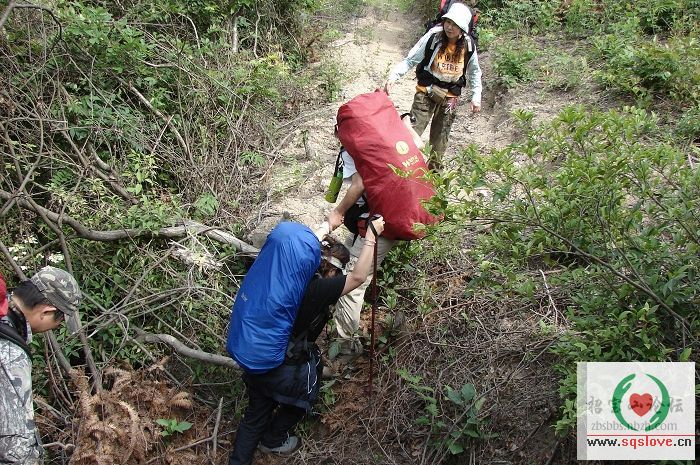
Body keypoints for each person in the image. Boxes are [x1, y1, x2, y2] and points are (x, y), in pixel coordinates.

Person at [228, 217, 385, 465]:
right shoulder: (318, 290)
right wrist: (371, 238)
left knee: (254, 417)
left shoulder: (285, 279)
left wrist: (327, 225)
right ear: (331, 269)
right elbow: (358, 277)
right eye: (338, 271)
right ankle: (274, 438)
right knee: (306, 393)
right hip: (283, 369)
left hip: (259, 359)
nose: (339, 276)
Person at [385, 2, 482, 169]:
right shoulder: (434, 37)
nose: (449, 27)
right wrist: (394, 76)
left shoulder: (468, 45)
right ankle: (399, 171)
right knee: (411, 134)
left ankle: (433, 177)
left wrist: (476, 96)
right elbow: (411, 59)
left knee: (440, 142)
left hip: (450, 97)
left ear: (463, 29)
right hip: (426, 92)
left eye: (455, 24)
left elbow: (474, 72)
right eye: (448, 22)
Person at [0, 266, 82, 465]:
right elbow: (15, 449)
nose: (56, 327)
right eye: (59, 322)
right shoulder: (11, 355)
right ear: (46, 311)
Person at [327, 148, 396, 355]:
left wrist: (338, 212)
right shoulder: (387, 138)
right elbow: (419, 146)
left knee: (351, 285)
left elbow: (359, 184)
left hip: (378, 222)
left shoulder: (352, 148)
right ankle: (344, 324)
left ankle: (346, 349)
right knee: (343, 262)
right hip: (393, 214)